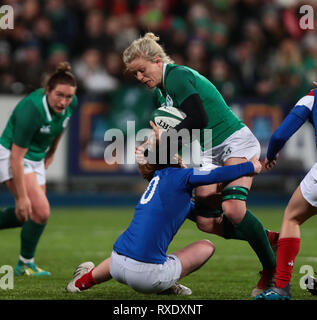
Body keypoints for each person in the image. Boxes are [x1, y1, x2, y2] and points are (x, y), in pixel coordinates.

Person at [122, 32, 277, 296]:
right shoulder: (162, 94)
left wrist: (165, 142)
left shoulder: (178, 76)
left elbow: (198, 118)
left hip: (234, 141)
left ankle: (272, 273)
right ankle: (266, 238)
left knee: (233, 209)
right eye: (134, 74)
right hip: (209, 149)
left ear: (157, 60)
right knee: (206, 222)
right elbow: (182, 133)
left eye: (141, 70)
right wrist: (152, 150)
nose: (139, 78)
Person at [66, 142, 262, 295]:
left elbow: (204, 218)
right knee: (206, 246)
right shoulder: (176, 176)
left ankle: (82, 282)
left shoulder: (162, 184)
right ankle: (165, 284)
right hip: (147, 277)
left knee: (132, 250)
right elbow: (215, 174)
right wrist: (249, 166)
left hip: (116, 263)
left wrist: (261, 235)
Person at [0, 62, 77, 276]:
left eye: (68, 97)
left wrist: (52, 151)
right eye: (59, 95)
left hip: (36, 156)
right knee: (40, 210)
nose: (64, 102)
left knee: (27, 216)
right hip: (11, 155)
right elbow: (16, 157)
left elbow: (62, 125)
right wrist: (21, 197)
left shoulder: (71, 103)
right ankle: (25, 264)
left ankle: (25, 264)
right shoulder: (31, 109)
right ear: (47, 91)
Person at [255, 87, 317, 300]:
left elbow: (280, 134)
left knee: (292, 217)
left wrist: (271, 154)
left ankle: (281, 288)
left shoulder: (312, 98)